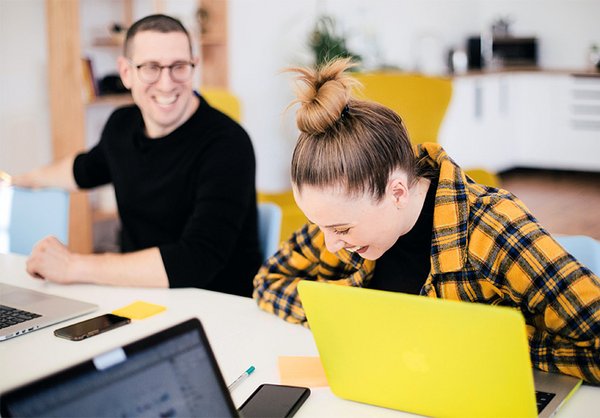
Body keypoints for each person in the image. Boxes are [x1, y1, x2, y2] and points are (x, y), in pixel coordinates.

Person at [253, 58, 600, 385]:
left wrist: (499, 343)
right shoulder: (344, 218)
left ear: (398, 192)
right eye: (321, 226)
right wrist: (352, 315)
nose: (330, 243)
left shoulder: (493, 229)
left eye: (341, 229)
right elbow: (268, 281)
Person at [9, 14, 261, 297]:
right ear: (126, 73)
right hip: (138, 296)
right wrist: (20, 179)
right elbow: (84, 170)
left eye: (179, 67)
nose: (166, 84)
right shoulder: (121, 125)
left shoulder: (228, 143)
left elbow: (196, 260)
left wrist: (74, 266)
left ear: (194, 67)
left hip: (217, 306)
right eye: (151, 68)